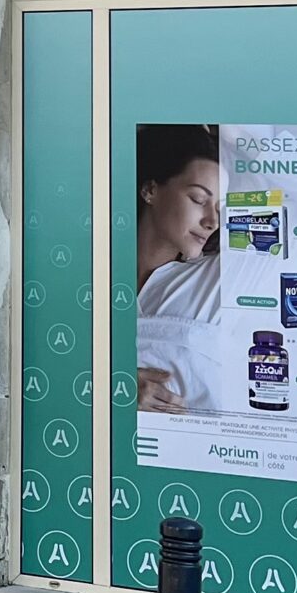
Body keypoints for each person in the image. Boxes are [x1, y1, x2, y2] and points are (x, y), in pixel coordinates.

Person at [134, 124, 222, 416]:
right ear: (150, 189)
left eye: (220, 208)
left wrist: (238, 136)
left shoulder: (217, 278)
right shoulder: (87, 271)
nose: (212, 220)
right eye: (198, 199)